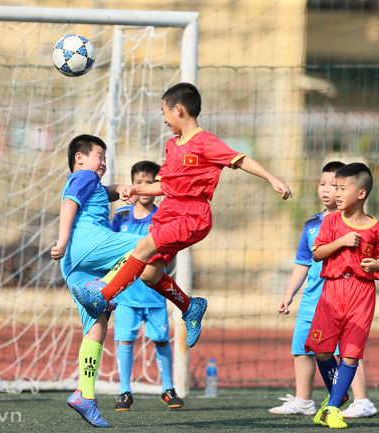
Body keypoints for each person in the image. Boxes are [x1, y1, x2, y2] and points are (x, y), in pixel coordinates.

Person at [71, 82, 292, 349]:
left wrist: (272, 178)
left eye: (164, 112)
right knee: (149, 275)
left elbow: (240, 159)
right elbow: (164, 185)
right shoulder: (172, 146)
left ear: (179, 109)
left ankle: (103, 297)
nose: (163, 118)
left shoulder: (205, 142)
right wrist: (135, 188)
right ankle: (190, 307)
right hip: (168, 212)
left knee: (141, 248)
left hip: (192, 216)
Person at [51, 135, 150, 427]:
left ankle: (86, 395)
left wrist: (117, 189)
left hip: (74, 265)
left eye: (105, 158)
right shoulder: (82, 176)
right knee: (147, 244)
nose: (103, 162)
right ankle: (105, 284)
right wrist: (64, 236)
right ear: (80, 159)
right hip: (88, 243)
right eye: (99, 156)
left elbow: (99, 192)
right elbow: (70, 203)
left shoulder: (92, 183)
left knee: (98, 324)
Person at [270, 161, 377, 419]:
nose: (330, 190)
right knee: (303, 347)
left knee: (348, 351)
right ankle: (304, 400)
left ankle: (361, 400)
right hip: (312, 300)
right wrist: (289, 294)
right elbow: (303, 262)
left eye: (336, 186)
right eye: (324, 184)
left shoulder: (357, 225)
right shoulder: (312, 225)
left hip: (342, 299)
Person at [305, 162, 379, 429]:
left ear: (362, 193)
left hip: (362, 294)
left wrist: (377, 264)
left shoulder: (377, 228)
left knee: (351, 354)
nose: (337, 193)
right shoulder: (331, 222)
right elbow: (317, 253)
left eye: (343, 188)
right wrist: (341, 242)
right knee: (320, 350)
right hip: (332, 293)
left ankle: (331, 407)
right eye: (334, 187)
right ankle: (338, 392)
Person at [111, 161, 183, 411]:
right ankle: (124, 392)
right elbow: (112, 254)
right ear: (131, 184)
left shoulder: (163, 216)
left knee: (162, 340)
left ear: (157, 186)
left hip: (154, 294)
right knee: (126, 341)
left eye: (149, 182)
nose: (143, 187)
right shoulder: (120, 216)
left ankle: (168, 388)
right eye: (138, 182)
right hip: (127, 295)